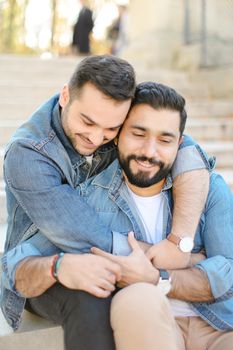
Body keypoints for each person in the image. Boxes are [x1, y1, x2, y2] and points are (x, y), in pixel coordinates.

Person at [1, 55, 210, 350]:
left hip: (111, 252)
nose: (97, 137)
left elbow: (185, 148)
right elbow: (86, 236)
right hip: (42, 264)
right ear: (65, 96)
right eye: (87, 121)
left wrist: (179, 241)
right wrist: (176, 260)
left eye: (111, 128)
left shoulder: (114, 119)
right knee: (94, 296)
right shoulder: (28, 154)